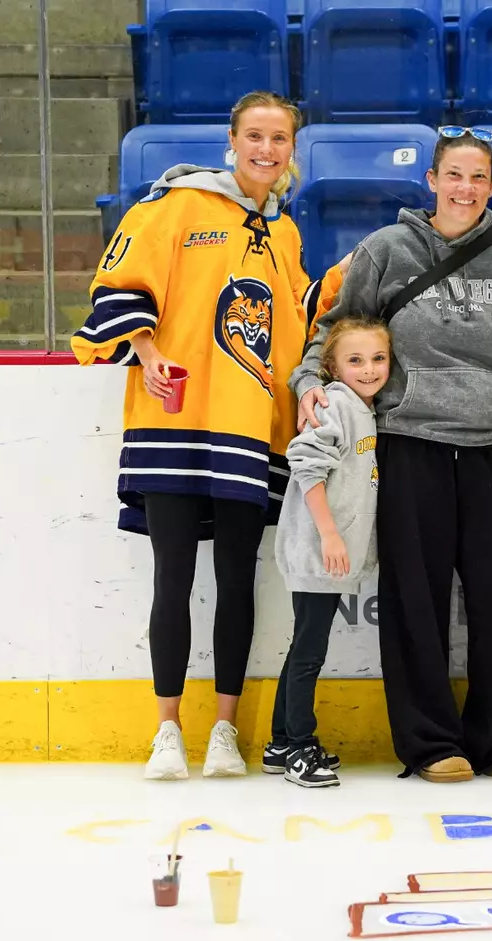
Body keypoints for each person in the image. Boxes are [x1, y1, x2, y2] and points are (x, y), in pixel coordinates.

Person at [293, 127, 492, 784]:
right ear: (433, 182)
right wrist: (308, 383)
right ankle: (431, 744)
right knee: (415, 599)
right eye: (455, 175)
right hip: (407, 446)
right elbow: (335, 331)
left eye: (479, 178)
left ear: (491, 187)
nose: (466, 188)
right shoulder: (386, 251)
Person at [72, 91, 321, 782]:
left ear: (291, 150)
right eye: (255, 136)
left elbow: (293, 324)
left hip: (246, 424)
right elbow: (121, 282)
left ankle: (223, 731)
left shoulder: (285, 231)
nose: (267, 150)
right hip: (175, 417)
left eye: (279, 139)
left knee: (238, 579)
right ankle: (166, 732)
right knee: (172, 576)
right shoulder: (175, 205)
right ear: (231, 141)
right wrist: (148, 354)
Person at [270, 316, 390, 787]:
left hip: (328, 553)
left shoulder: (364, 408)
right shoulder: (336, 404)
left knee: (304, 644)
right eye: (355, 360)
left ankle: (280, 742)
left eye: (378, 358)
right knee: (309, 652)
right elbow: (305, 462)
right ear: (333, 367)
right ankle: (300, 747)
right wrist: (330, 535)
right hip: (318, 551)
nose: (368, 369)